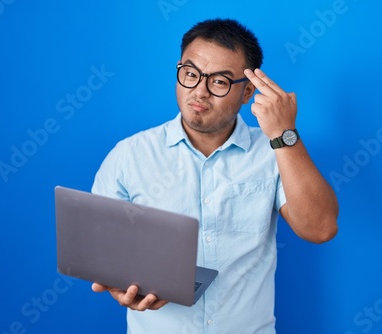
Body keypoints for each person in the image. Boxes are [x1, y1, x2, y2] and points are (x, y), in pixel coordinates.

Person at [91, 18, 338, 333]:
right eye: (191, 74)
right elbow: (102, 250)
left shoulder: (274, 153)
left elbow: (320, 228)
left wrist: (285, 133)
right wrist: (119, 286)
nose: (199, 92)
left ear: (247, 91)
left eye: (219, 81)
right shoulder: (129, 155)